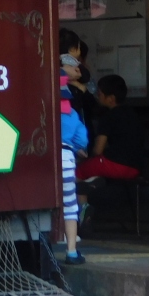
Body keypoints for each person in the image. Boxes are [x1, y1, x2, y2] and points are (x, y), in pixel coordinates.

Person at [77, 75, 144, 181]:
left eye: (99, 94)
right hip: (136, 167)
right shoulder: (132, 113)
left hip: (115, 165)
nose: (97, 96)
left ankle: (82, 197)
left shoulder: (108, 116)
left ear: (111, 99)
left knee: (79, 171)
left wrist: (89, 158)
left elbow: (98, 150)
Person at [59, 78, 88, 265]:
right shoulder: (72, 115)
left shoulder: (39, 111)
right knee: (70, 207)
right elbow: (82, 141)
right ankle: (71, 252)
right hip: (66, 159)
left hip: (42, 163)